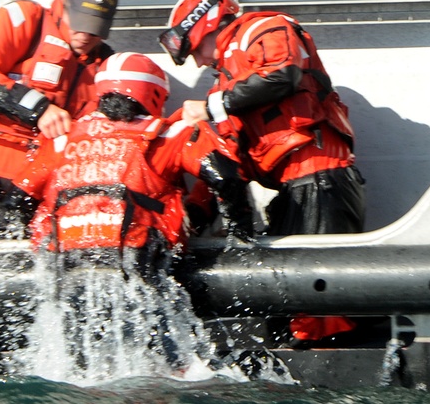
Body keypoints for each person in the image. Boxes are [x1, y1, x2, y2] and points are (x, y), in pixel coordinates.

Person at [18, 52, 253, 378]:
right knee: (177, 365)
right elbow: (226, 178)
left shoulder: (60, 138)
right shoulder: (170, 133)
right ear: (155, 95)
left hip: (63, 263)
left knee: (77, 368)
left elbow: (20, 196)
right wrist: (241, 235)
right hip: (138, 262)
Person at [159, 0, 367, 346]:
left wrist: (211, 107)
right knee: (290, 313)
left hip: (319, 175)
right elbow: (225, 158)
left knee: (317, 314)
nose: (198, 62)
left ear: (205, 25)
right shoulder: (226, 84)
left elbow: (282, 74)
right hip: (297, 189)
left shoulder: (264, 28)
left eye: (195, 51)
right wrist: (189, 215)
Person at [0, 0, 118, 240]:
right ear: (62, 3)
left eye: (95, 29)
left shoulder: (105, 64)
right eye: (79, 23)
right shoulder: (24, 19)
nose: (85, 36)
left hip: (49, 184)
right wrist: (38, 108)